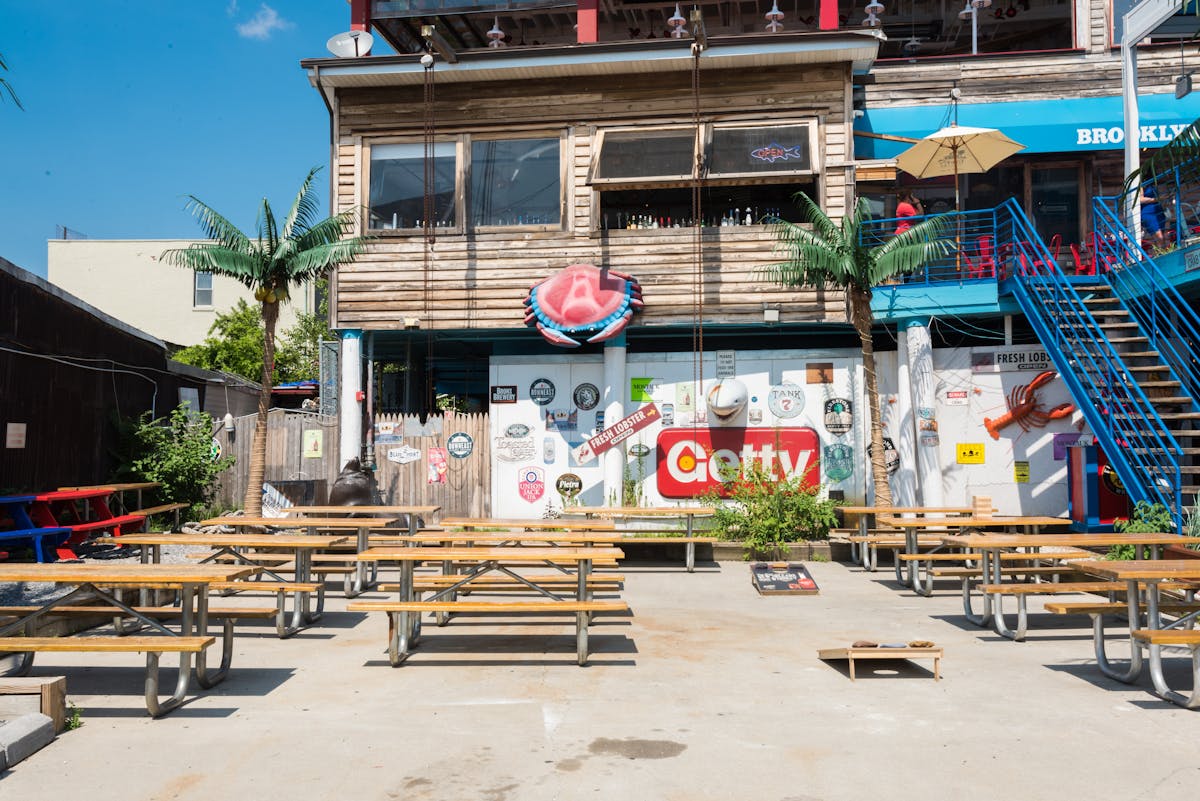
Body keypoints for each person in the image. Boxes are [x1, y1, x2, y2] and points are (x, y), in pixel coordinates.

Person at [1140, 183, 1167, 249]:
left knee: (1161, 240)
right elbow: (1141, 199)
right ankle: (1161, 257)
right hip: (1148, 213)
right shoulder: (1140, 183)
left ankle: (1159, 257)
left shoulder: (1152, 182)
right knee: (1159, 238)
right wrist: (1157, 199)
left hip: (1159, 212)